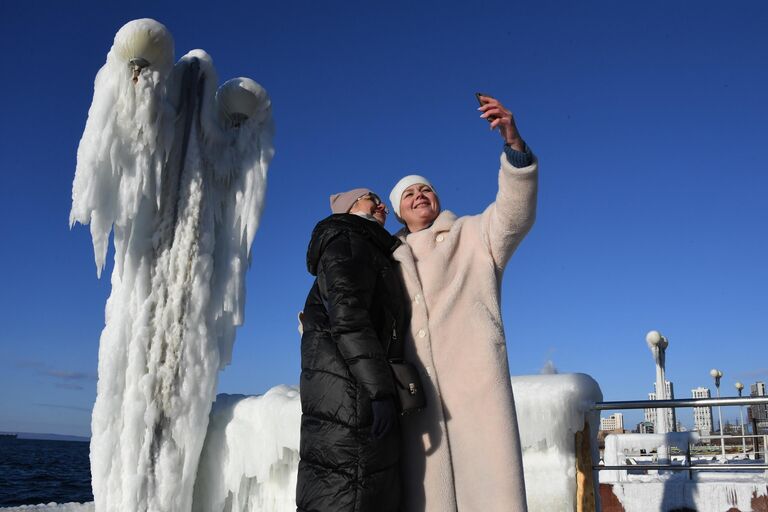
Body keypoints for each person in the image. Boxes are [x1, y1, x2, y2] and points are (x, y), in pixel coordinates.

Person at [388, 95, 537, 512]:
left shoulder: (473, 234)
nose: (420, 195)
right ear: (399, 211)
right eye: (409, 194)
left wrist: (514, 145)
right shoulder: (387, 260)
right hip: (417, 407)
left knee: (491, 495)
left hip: (477, 396)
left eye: (426, 189)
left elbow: (515, 213)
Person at [296, 188, 407, 512]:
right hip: (353, 397)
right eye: (371, 199)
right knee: (352, 492)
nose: (381, 204)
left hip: (346, 391)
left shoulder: (360, 243)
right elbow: (349, 319)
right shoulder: (349, 240)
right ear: (350, 208)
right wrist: (380, 392)